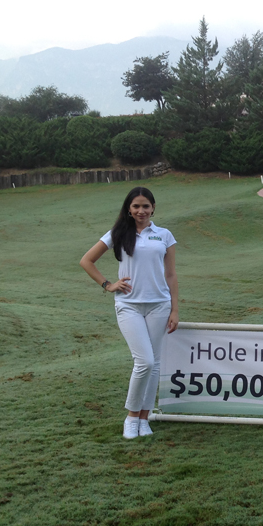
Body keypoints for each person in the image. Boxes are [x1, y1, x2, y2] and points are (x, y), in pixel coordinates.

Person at [80, 187, 179, 439]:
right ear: (129, 209)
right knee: (144, 361)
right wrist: (107, 285)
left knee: (154, 364)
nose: (141, 211)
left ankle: (144, 418)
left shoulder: (164, 235)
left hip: (159, 305)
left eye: (146, 206)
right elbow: (86, 260)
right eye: (136, 206)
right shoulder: (118, 233)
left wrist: (175, 309)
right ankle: (132, 417)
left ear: (153, 208)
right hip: (129, 305)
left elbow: (171, 275)